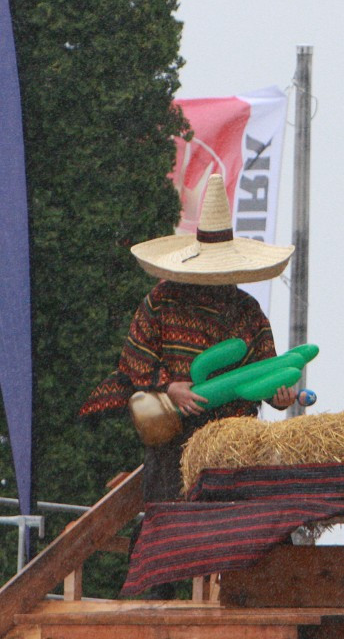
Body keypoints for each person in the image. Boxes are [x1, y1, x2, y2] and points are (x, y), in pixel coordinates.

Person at [80, 174, 297, 596]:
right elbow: (132, 365)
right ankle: (145, 613)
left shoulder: (248, 311)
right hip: (173, 438)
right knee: (165, 529)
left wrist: (280, 394)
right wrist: (170, 387)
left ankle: (250, 605)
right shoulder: (159, 302)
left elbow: (265, 373)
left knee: (244, 529)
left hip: (232, 441)